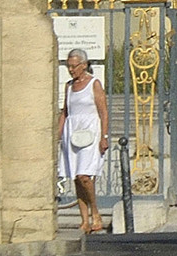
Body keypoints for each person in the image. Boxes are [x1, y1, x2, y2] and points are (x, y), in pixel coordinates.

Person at [58, 46, 110, 237]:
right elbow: (65, 111)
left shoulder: (94, 84)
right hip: (72, 133)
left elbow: (103, 111)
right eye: (68, 66)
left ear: (84, 65)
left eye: (74, 66)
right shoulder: (69, 86)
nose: (71, 70)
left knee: (85, 176)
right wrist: (59, 133)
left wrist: (104, 137)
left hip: (90, 133)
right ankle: (84, 220)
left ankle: (95, 211)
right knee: (76, 178)